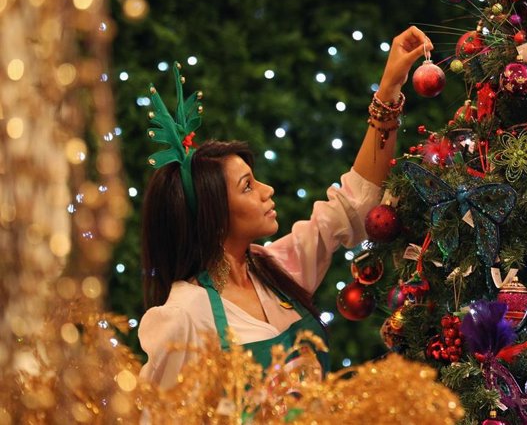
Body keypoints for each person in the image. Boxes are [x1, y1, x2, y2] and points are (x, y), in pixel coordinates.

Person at [138, 26, 433, 389]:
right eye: (248, 186)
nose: (267, 190)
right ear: (213, 216)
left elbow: (355, 205)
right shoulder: (185, 314)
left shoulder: (274, 271)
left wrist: (389, 90)